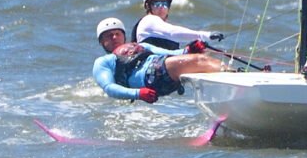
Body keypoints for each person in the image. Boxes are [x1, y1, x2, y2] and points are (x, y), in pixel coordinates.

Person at [94, 17, 225, 103]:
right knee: (198, 60)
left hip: (162, 69)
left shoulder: (142, 46)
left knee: (202, 59)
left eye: (117, 33)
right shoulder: (103, 62)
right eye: (108, 36)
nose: (114, 37)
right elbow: (109, 88)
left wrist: (190, 49)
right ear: (101, 42)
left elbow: (173, 54)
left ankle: (232, 75)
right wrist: (138, 93)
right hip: (149, 80)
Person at [131, 0, 224, 50]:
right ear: (148, 6)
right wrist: (205, 36)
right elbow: (172, 32)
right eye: (157, 4)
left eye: (164, 4)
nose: (161, 7)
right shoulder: (148, 20)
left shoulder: (162, 27)